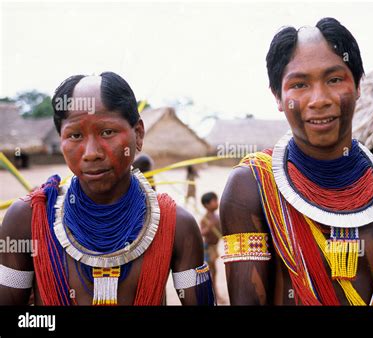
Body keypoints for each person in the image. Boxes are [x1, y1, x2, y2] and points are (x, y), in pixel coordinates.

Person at [220, 19, 373, 305]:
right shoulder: (252, 188)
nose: (319, 99)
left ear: (357, 86)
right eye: (299, 84)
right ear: (278, 97)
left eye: (334, 79)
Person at [0, 72, 214, 305]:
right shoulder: (27, 221)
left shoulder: (175, 225)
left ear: (139, 134)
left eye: (107, 132)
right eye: (75, 135)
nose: (91, 152)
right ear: (61, 140)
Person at [200, 192, 222, 299]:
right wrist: (208, 228)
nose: (217, 203)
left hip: (215, 247)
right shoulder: (205, 219)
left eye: (216, 200)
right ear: (206, 205)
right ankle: (214, 293)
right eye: (214, 201)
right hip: (208, 248)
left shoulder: (217, 217)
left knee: (214, 271)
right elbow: (201, 233)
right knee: (210, 271)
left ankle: (214, 291)